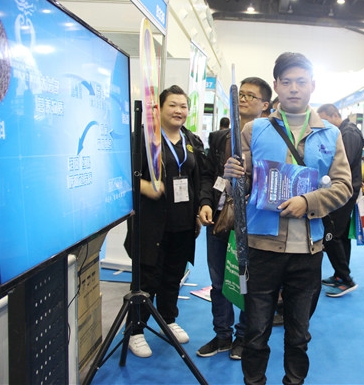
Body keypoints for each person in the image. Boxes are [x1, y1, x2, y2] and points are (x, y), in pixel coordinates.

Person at [223, 52, 352, 385]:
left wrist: (308, 202)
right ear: (277, 85)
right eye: (287, 82)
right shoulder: (254, 129)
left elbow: (343, 187)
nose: (294, 88)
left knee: (299, 335)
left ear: (313, 85)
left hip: (307, 251)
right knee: (255, 333)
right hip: (262, 247)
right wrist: (232, 175)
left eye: (301, 81)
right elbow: (241, 185)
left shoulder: (330, 134)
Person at [125, 85, 205, 358]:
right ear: (159, 108)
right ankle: (136, 330)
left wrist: (196, 214)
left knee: (173, 275)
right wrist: (145, 187)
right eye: (173, 105)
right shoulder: (144, 138)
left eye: (183, 106)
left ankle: (168, 319)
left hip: (182, 223)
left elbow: (196, 179)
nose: (179, 111)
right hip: (151, 224)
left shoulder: (191, 140)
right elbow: (123, 173)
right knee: (148, 277)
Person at [198, 77, 272, 360]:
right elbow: (208, 175)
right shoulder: (221, 137)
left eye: (251, 96)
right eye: (241, 94)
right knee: (218, 281)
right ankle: (222, 335)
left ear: (265, 105)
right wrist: (205, 203)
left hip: (254, 222)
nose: (243, 99)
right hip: (219, 218)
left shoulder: (269, 138)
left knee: (248, 282)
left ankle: (243, 337)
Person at [317, 104, 364, 297]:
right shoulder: (344, 131)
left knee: (332, 234)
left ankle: (346, 279)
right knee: (342, 235)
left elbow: (343, 162)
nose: (323, 124)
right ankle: (340, 274)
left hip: (345, 191)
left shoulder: (348, 133)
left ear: (335, 115)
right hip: (346, 189)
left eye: (325, 119)